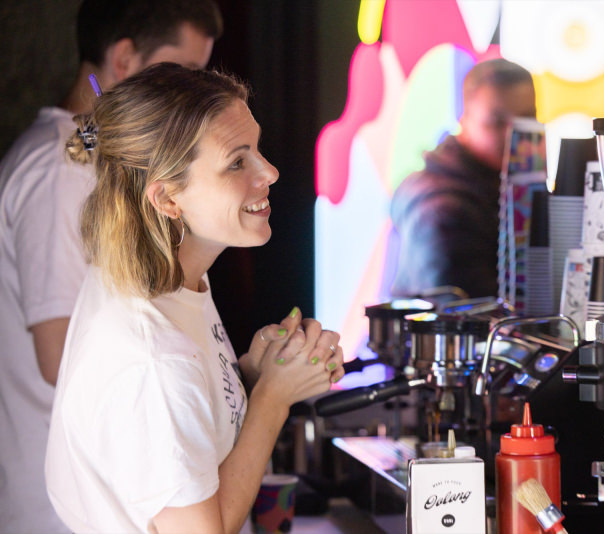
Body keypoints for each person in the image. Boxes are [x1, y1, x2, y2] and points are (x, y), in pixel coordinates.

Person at [45, 62, 345, 533]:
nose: (269, 171)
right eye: (237, 162)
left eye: (257, 150)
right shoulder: (153, 359)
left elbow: (188, 427)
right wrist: (273, 399)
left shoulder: (169, 282)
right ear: (167, 199)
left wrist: (253, 374)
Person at [0, 1, 222, 531]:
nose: (193, 93)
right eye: (184, 71)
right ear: (123, 59)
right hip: (65, 512)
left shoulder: (89, 156)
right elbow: (58, 353)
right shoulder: (61, 169)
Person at [389, 58, 537, 299]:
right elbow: (461, 310)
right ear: (464, 120)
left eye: (527, 119)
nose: (514, 135)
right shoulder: (443, 210)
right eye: (497, 122)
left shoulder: (502, 185)